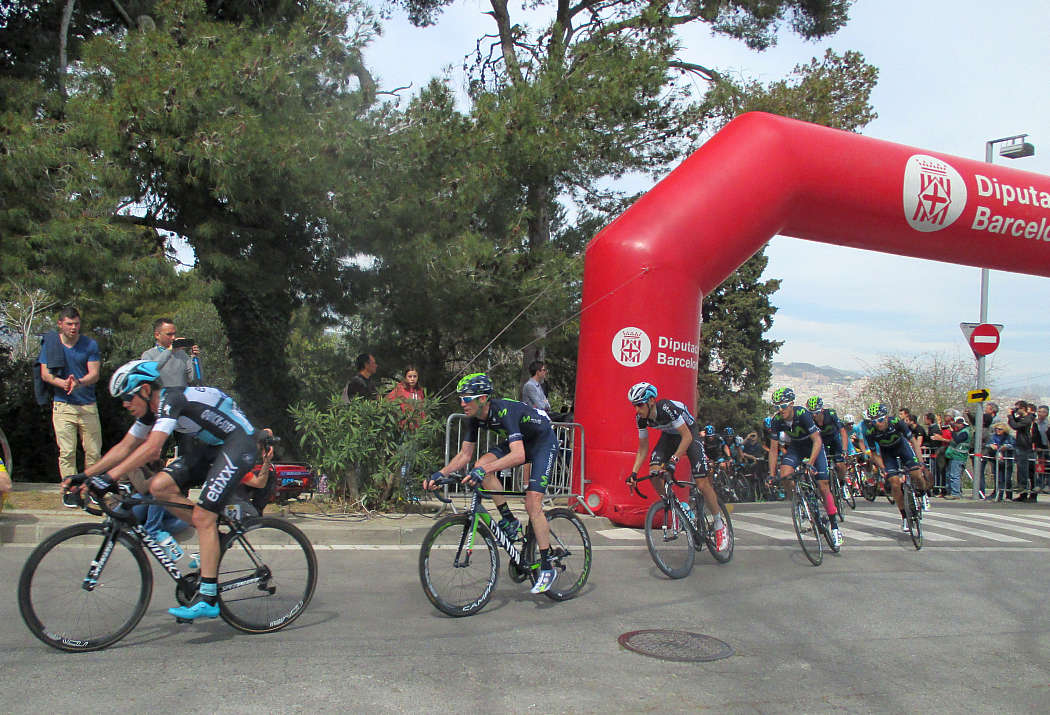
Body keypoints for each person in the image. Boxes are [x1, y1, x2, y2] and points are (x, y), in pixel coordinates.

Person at [63, 360, 261, 621]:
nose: (124, 404)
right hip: (213, 447)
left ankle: (208, 598)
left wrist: (110, 478)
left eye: (127, 397)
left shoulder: (171, 400)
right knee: (159, 487)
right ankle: (212, 534)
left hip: (240, 443)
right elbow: (125, 446)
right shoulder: (150, 412)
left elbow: (153, 448)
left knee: (203, 516)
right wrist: (86, 475)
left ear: (145, 390)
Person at [423, 373, 561, 594]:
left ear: (483, 399)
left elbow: (518, 455)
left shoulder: (504, 411)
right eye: (461, 398)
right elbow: (465, 455)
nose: (462, 403)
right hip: (523, 441)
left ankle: (547, 566)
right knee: (481, 464)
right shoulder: (473, 417)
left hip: (543, 442)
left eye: (467, 398)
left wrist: (484, 470)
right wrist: (440, 474)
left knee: (532, 503)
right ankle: (509, 520)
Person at [623, 382, 729, 552]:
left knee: (702, 483)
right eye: (634, 405)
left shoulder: (667, 407)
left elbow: (686, 437)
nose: (637, 409)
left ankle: (718, 523)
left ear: (651, 401)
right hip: (669, 437)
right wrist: (634, 473)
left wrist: (674, 460)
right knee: (653, 473)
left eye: (639, 404)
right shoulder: (641, 419)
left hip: (688, 433)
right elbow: (643, 448)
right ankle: (677, 507)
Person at [767, 388, 842, 547]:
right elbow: (773, 449)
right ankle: (801, 502)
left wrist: (810, 462)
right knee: (785, 475)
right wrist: (771, 474)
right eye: (777, 406)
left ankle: (835, 526)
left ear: (791, 404)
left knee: (823, 485)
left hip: (813, 447)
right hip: (796, 448)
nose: (780, 409)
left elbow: (817, 440)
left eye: (783, 405)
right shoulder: (776, 420)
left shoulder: (802, 414)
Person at [38, 307, 102, 478]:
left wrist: (78, 382)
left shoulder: (90, 344)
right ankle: (69, 487)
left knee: (94, 452)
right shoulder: (51, 344)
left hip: (87, 405)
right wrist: (63, 383)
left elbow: (94, 374)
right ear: (60, 324)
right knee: (67, 452)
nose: (73, 328)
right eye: (69, 324)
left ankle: (91, 485)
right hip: (63, 405)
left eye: (76, 324)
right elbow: (45, 374)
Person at [860, 402, 931, 532]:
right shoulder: (870, 431)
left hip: (902, 447)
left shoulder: (896, 422)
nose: (877, 424)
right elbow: (874, 454)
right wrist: (883, 469)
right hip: (887, 453)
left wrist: (921, 462)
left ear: (886, 417)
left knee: (916, 474)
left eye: (880, 420)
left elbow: (914, 441)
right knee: (894, 483)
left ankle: (923, 493)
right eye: (874, 421)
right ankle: (904, 516)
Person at [806, 396, 850, 504]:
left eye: (816, 412)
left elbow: (843, 432)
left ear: (821, 410)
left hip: (834, 439)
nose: (814, 415)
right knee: (821, 466)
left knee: (839, 464)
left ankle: (843, 484)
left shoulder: (831, 414)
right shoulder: (809, 419)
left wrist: (844, 450)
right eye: (811, 413)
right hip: (821, 442)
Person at [141, 318, 202, 387]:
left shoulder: (182, 354)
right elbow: (150, 371)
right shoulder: (148, 355)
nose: (173, 337)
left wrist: (195, 358)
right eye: (169, 334)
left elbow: (194, 380)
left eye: (174, 334)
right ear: (157, 335)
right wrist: (169, 350)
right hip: (162, 394)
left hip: (182, 393)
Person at [1008, 401, 1036, 502]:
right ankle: (1022, 493)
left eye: (1017, 408)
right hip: (1020, 445)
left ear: (1023, 408)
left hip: (1026, 447)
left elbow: (1015, 426)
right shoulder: (1022, 418)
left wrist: (1010, 417)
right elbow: (1014, 423)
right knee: (1021, 469)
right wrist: (1012, 415)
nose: (1016, 410)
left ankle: (1030, 493)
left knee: (1028, 470)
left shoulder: (1028, 419)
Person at [943, 416, 972, 499]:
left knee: (954, 475)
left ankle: (955, 493)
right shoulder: (961, 431)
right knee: (950, 475)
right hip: (954, 456)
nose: (955, 425)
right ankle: (951, 492)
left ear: (961, 424)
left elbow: (957, 440)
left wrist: (952, 431)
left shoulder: (964, 432)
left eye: (956, 424)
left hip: (959, 457)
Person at [987, 422, 1015, 502]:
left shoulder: (1009, 437)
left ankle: (1009, 496)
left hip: (1007, 460)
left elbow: (1014, 445)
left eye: (1000, 429)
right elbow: (988, 444)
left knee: (1007, 478)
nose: (997, 430)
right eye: (996, 429)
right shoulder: (993, 437)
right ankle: (998, 495)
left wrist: (1006, 446)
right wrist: (991, 446)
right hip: (997, 460)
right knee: (998, 478)